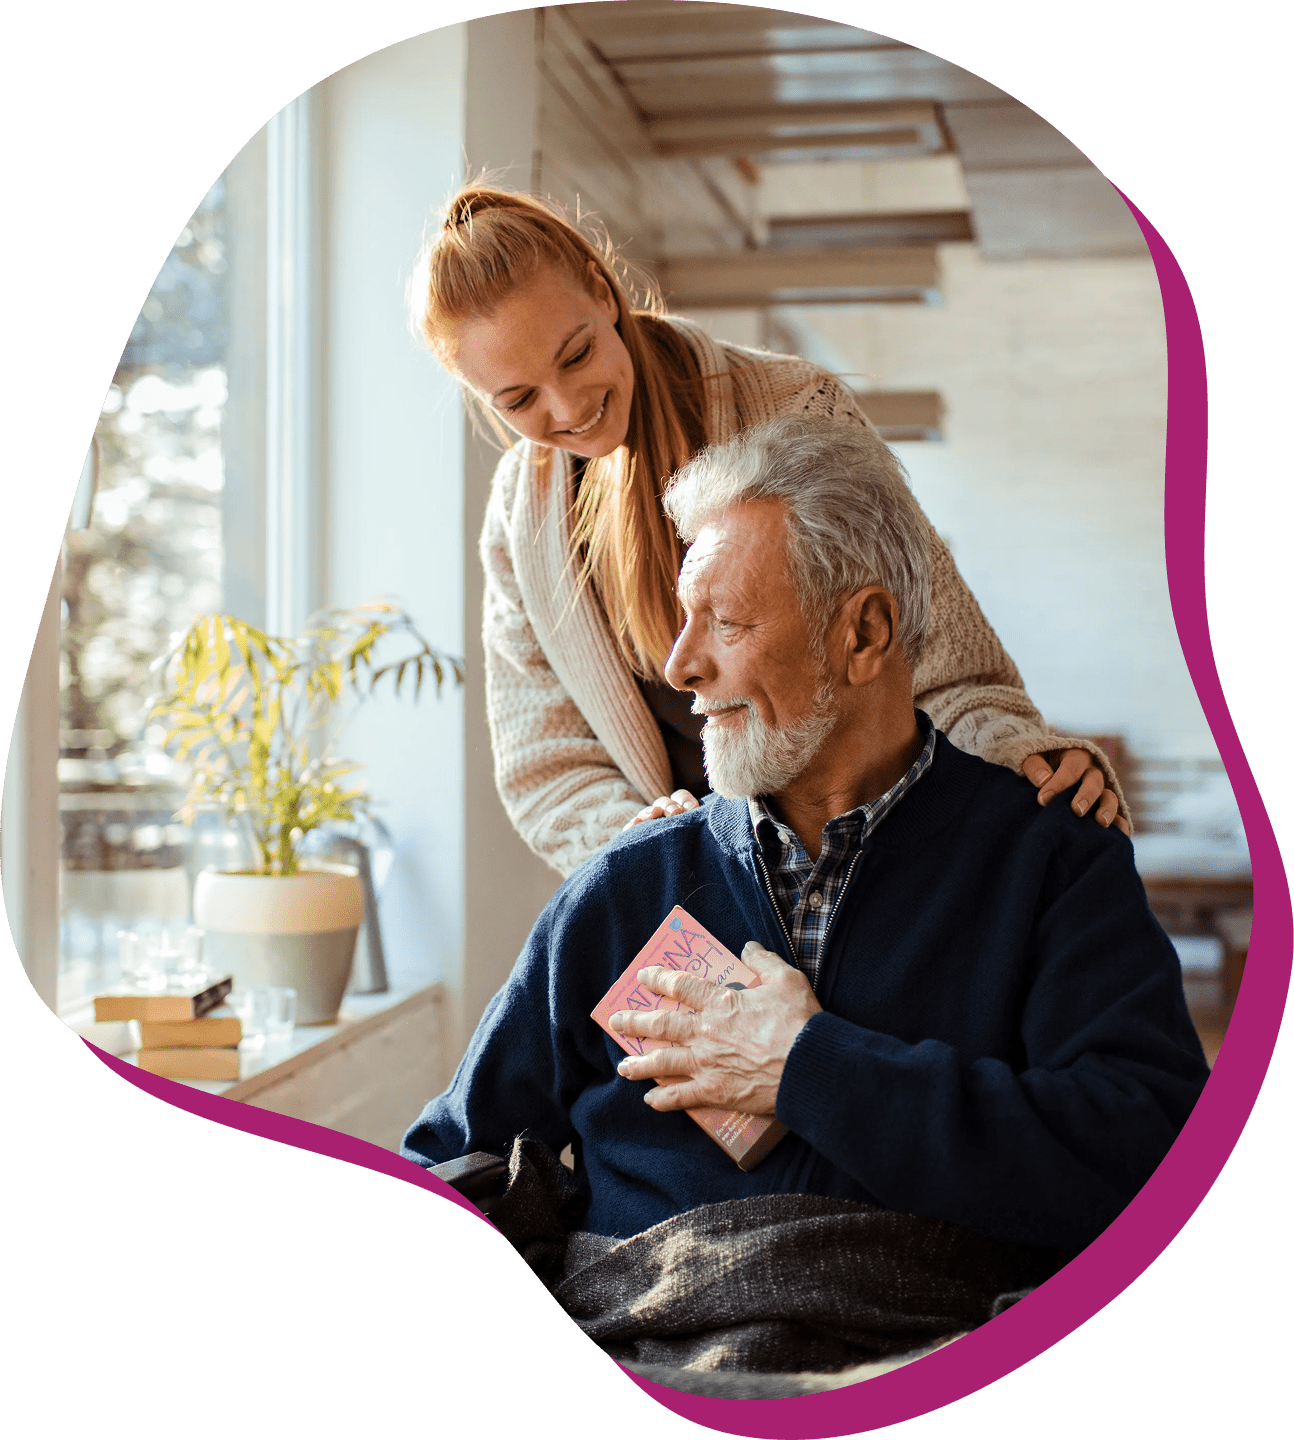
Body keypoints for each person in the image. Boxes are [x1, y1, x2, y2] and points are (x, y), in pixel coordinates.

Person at [401, 417, 1207, 1254]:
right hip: (646, 1338)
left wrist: (811, 1069)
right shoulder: (626, 887)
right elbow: (451, 1161)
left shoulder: (1053, 863)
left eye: (727, 623)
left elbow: (1148, 1162)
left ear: (863, 635)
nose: (680, 667)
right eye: (684, 619)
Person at [409, 185, 1131, 879]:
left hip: (866, 853)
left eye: (576, 355)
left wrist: (1020, 751)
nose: (568, 406)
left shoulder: (798, 407)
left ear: (604, 293)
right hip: (686, 889)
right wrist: (638, 847)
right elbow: (548, 762)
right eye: (519, 399)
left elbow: (936, 648)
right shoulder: (519, 520)